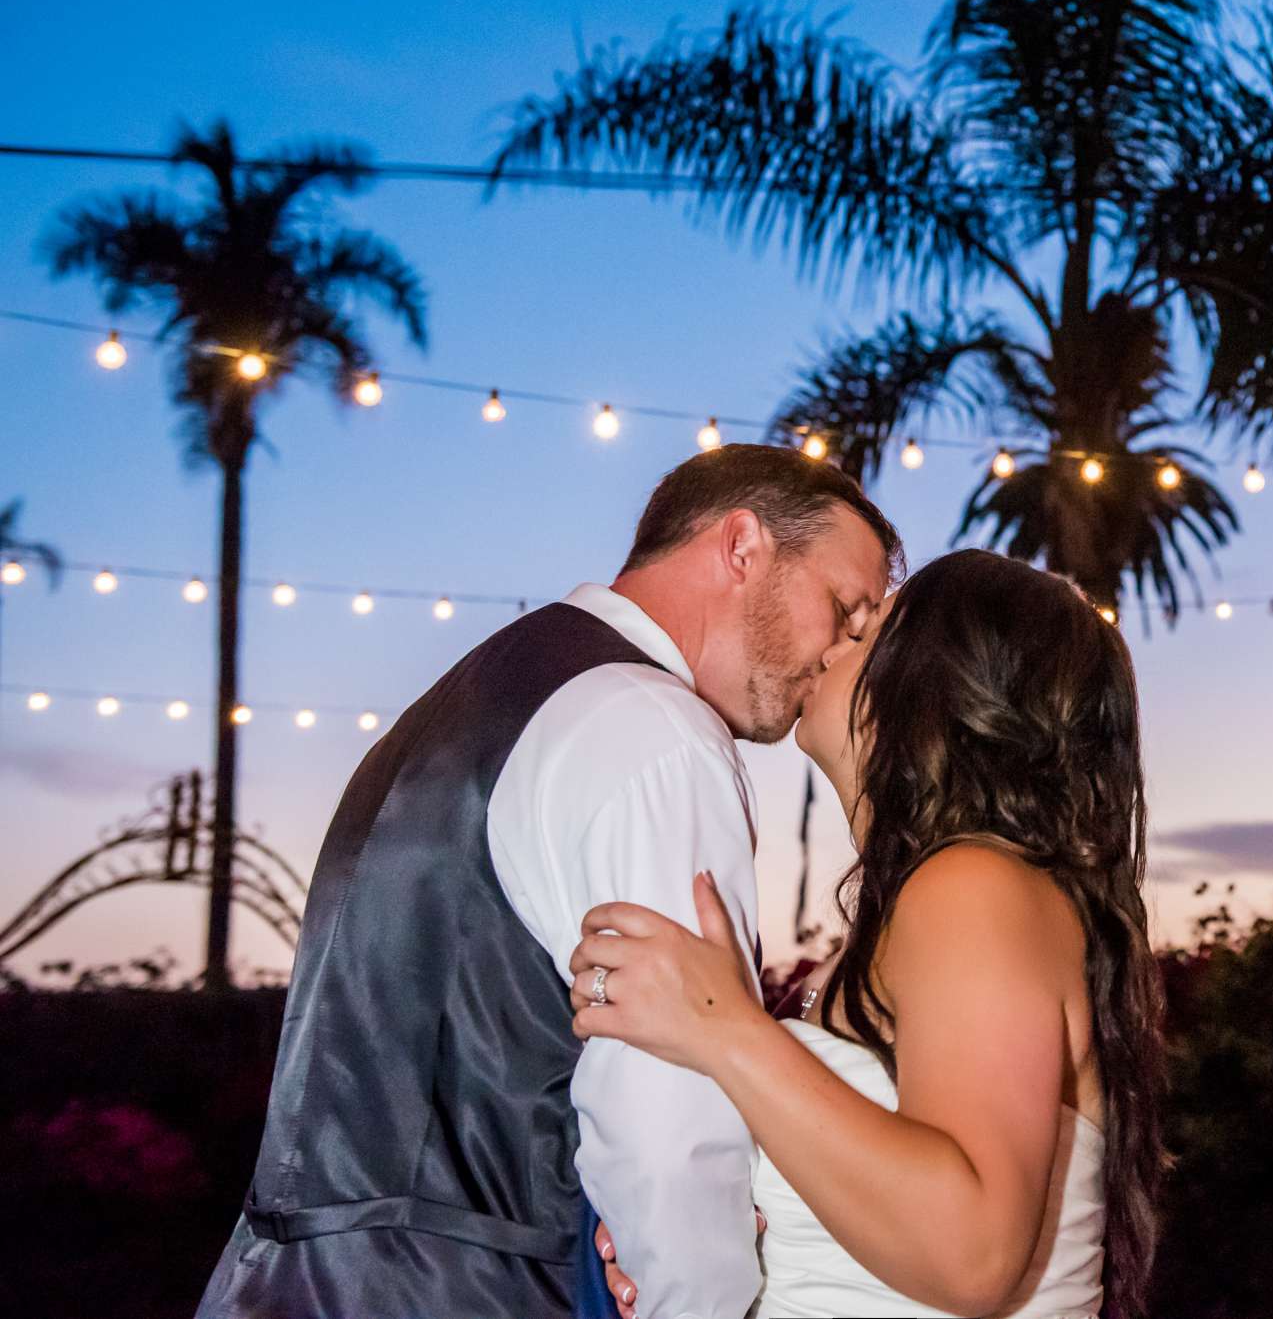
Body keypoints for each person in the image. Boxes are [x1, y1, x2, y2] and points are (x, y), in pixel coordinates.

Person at [196, 444, 898, 1319]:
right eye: (845, 609)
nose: (846, 653)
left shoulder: (462, 702)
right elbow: (668, 1117)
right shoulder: (658, 732)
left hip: (279, 1281)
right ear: (743, 546)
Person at [566, 549, 1166, 1319]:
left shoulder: (975, 887)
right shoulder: (942, 903)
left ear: (942, 682)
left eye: (869, 630)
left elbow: (971, 1253)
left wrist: (722, 1027)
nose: (830, 645)